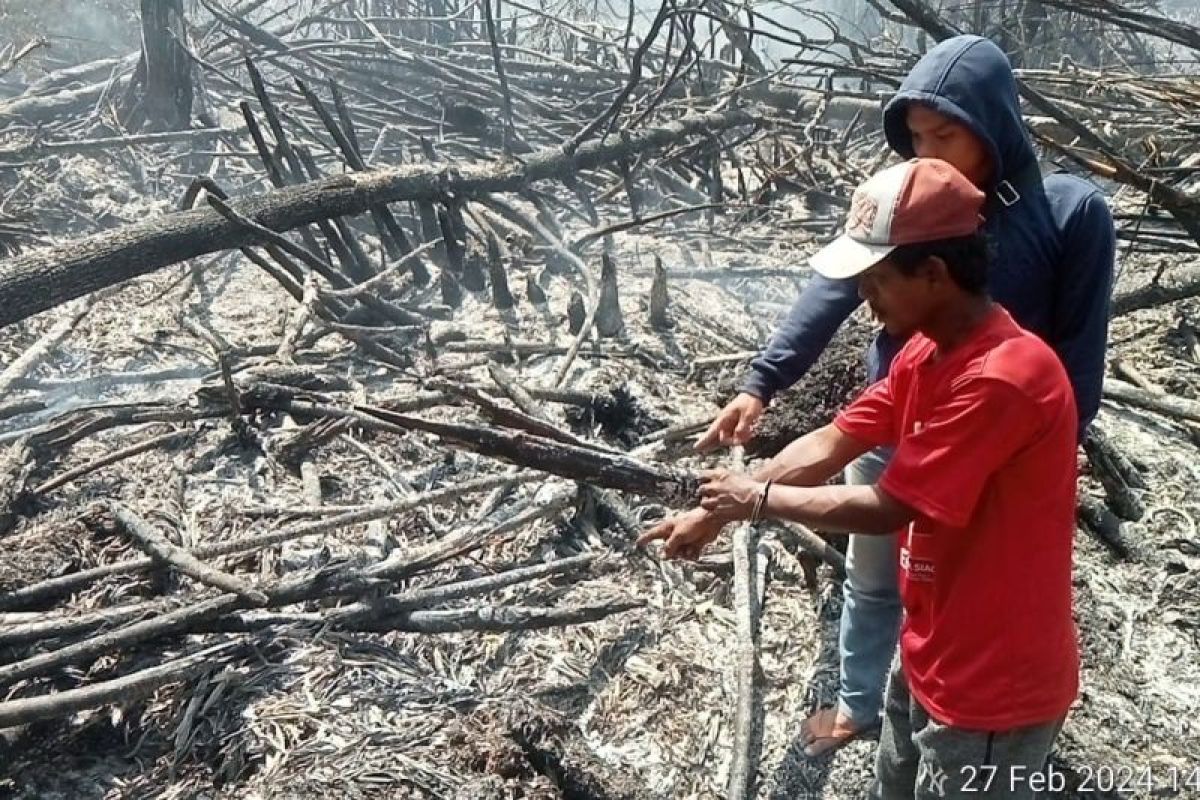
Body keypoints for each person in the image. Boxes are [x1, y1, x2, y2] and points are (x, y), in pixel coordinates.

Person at [694, 34, 1113, 756]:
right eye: (914, 136)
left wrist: (1037, 476)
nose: (926, 152)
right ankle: (877, 700)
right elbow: (838, 401)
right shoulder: (918, 324)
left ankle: (987, 715)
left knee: (975, 600)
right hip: (914, 426)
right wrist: (758, 398)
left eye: (944, 134)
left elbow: (1075, 367)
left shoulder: (1066, 220)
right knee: (886, 577)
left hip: (1000, 453)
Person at [643, 158, 1080, 799]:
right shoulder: (927, 352)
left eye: (875, 280)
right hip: (933, 646)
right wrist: (715, 510)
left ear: (933, 273)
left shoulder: (1001, 379)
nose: (864, 299)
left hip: (994, 684)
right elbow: (833, 440)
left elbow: (887, 507)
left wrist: (756, 500)